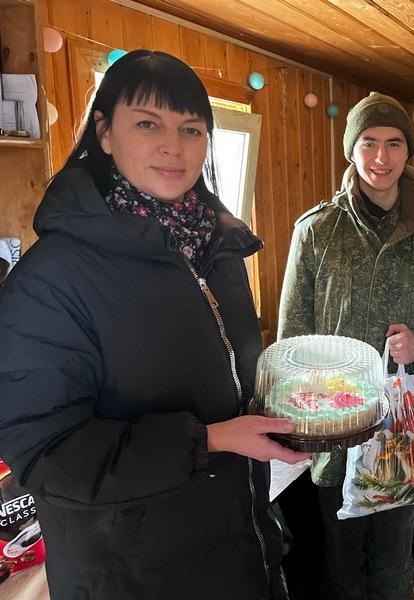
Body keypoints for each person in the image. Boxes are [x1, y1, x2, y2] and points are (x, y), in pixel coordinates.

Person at [0, 50, 309, 600]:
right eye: (148, 123)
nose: (174, 145)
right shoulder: (51, 279)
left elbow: (225, 378)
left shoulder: (217, 248)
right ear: (106, 132)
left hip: (239, 543)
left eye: (191, 129)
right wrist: (210, 441)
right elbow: (45, 454)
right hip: (130, 572)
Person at [277, 92, 414, 600]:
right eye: (369, 143)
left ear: (408, 153)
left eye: (394, 143)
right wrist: (294, 423)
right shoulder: (316, 231)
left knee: (394, 556)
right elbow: (291, 337)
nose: (381, 157)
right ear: (351, 150)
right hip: (335, 423)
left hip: (405, 425)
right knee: (340, 558)